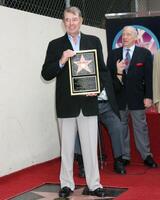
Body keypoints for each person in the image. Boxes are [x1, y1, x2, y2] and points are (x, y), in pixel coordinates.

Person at [41, 6, 109, 198]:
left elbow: (103, 71)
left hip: (88, 104)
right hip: (66, 105)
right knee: (67, 148)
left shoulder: (94, 41)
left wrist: (97, 88)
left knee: (90, 148)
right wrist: (62, 60)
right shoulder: (55, 45)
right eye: (67, 19)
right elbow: (46, 73)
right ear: (63, 23)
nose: (71, 23)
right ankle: (66, 184)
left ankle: (95, 184)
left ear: (81, 20)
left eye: (74, 19)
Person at [108, 25, 157, 168]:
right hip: (119, 98)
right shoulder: (113, 54)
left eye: (128, 34)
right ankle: (124, 156)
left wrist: (148, 96)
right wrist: (118, 72)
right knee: (121, 127)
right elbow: (109, 78)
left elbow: (149, 77)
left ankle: (146, 155)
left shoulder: (145, 53)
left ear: (136, 37)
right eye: (123, 34)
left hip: (137, 97)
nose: (125, 37)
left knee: (141, 127)